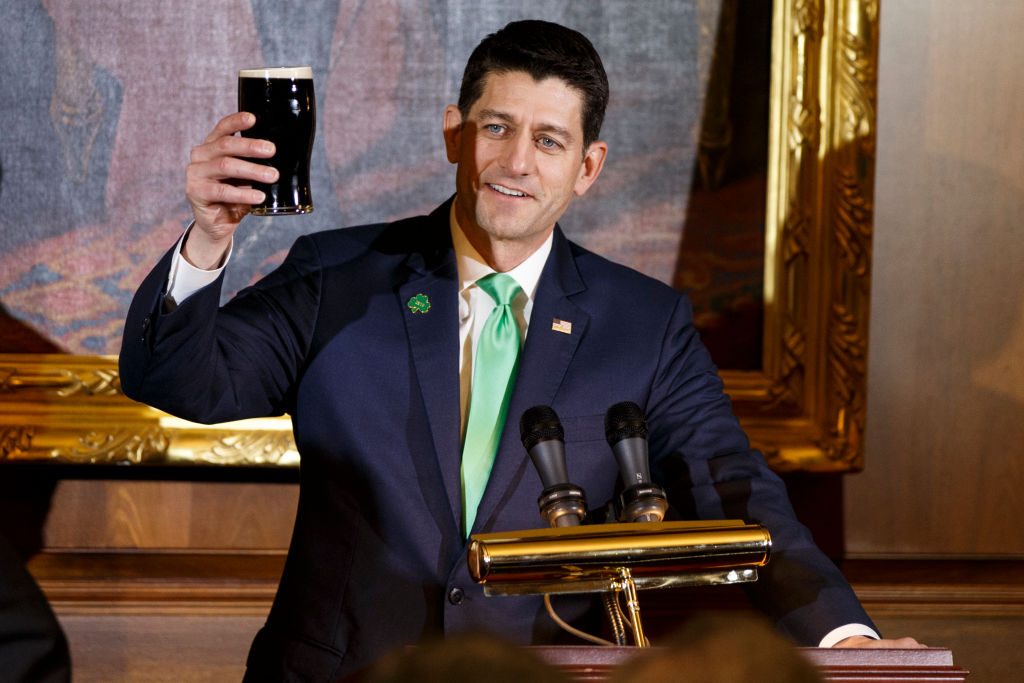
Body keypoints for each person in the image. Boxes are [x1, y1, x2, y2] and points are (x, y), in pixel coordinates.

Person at [119, 19, 921, 682]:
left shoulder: (644, 325)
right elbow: (178, 379)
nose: (515, 163)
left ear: (587, 168)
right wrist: (209, 237)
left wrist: (846, 638)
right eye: (495, 128)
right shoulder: (338, 278)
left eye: (548, 140)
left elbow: (734, 488)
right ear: (452, 136)